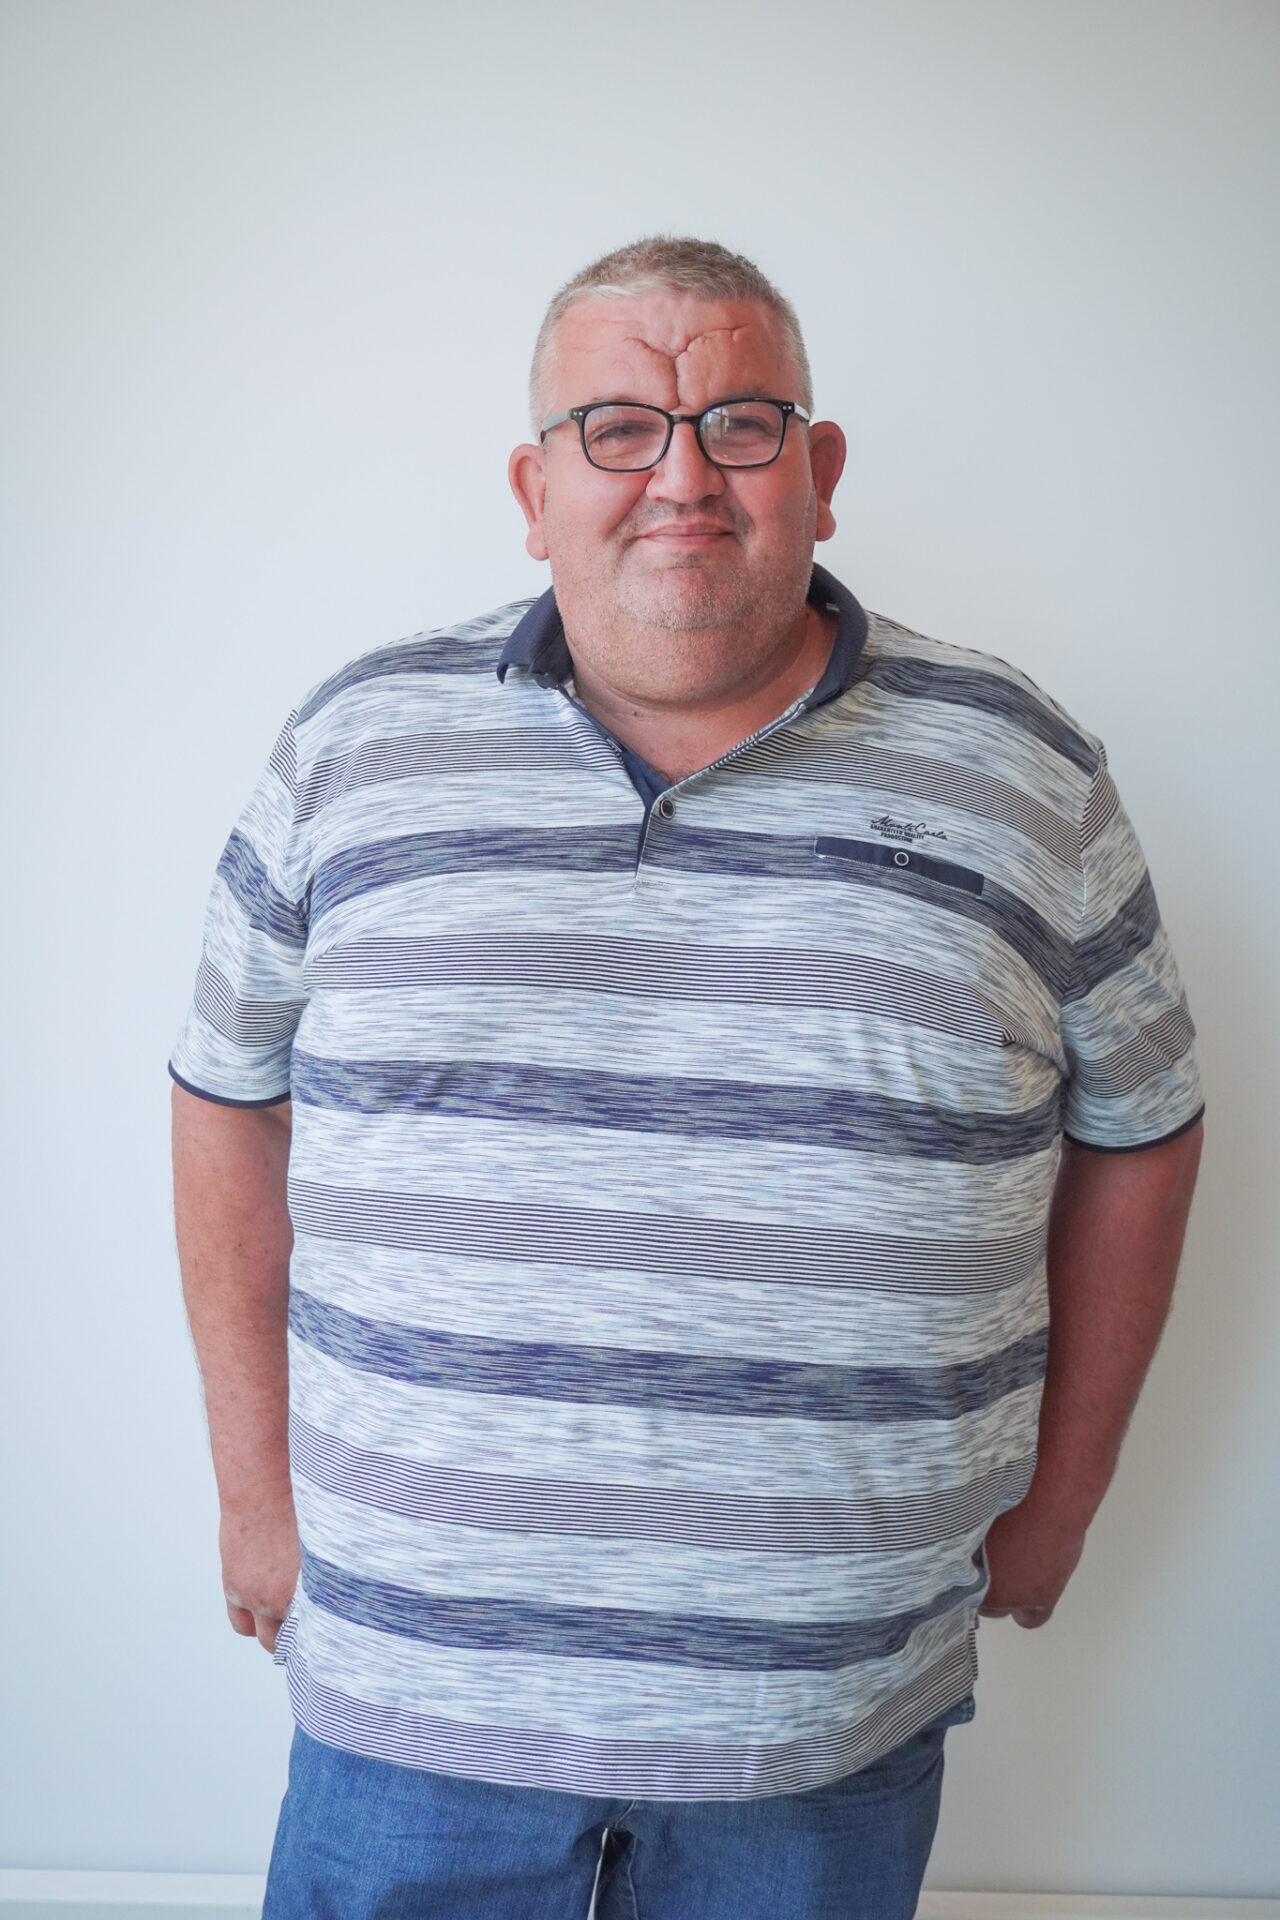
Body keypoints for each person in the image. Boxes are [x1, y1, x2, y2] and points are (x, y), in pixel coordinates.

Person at [171, 236, 1204, 1920]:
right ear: (535, 491)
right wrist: (251, 1497)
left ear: (820, 471)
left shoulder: (1025, 772)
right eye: (618, 429)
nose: (682, 478)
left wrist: (1063, 1497)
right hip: (412, 1694)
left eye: (740, 422)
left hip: (824, 1716)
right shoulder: (354, 751)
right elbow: (225, 1102)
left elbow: (1144, 1129)